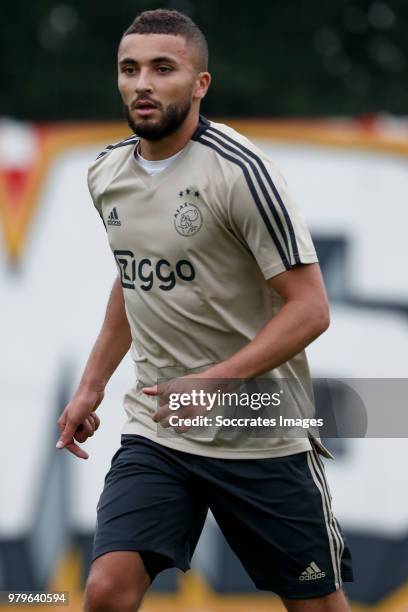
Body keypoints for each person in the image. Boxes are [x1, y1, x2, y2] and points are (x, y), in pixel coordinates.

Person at [56, 8, 353, 612]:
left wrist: (214, 384)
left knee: (318, 606)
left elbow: (311, 308)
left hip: (258, 430)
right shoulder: (106, 172)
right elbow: (133, 278)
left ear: (200, 84)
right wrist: (93, 385)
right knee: (106, 593)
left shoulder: (241, 172)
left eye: (163, 68)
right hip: (158, 429)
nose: (143, 84)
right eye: (130, 69)